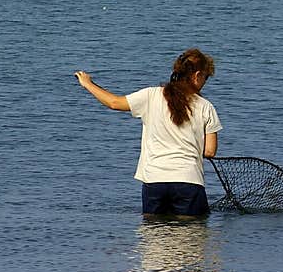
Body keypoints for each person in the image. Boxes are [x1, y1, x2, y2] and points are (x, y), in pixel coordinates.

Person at [74, 48, 222, 217]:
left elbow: (114, 103)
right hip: (188, 182)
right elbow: (210, 151)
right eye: (206, 77)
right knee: (191, 236)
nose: (205, 81)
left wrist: (88, 84)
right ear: (196, 76)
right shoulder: (206, 107)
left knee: (154, 237)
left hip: (154, 181)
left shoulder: (151, 95)